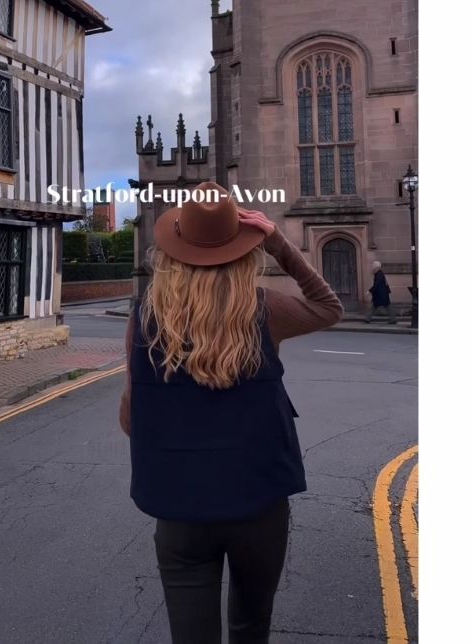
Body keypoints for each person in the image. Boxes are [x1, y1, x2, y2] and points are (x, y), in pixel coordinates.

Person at [118, 182, 342, 644]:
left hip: (179, 509)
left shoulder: (144, 317)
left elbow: (130, 417)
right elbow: (328, 308)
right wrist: (279, 243)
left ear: (174, 252)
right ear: (243, 252)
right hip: (259, 505)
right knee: (250, 627)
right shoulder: (266, 310)